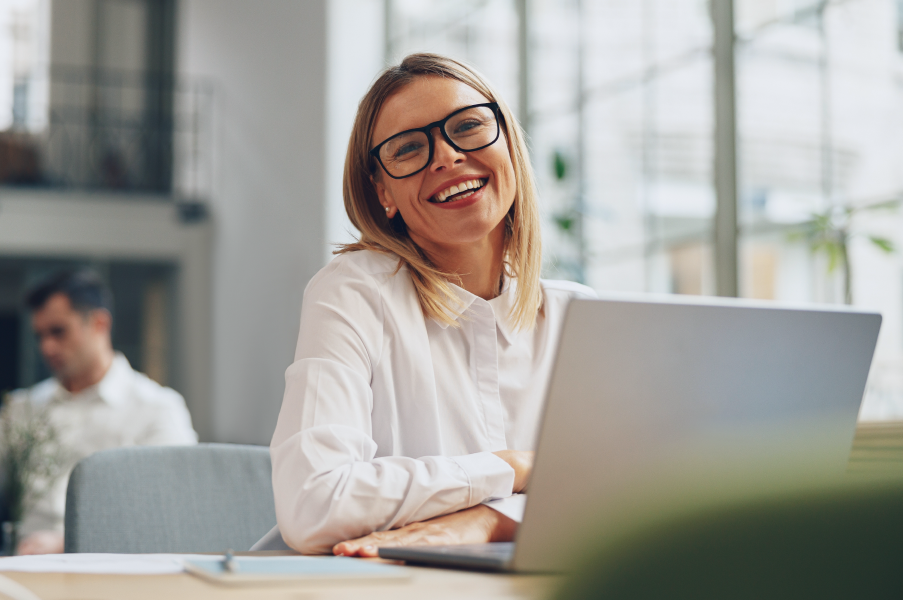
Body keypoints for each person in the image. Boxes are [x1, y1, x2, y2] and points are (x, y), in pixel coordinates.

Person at [270, 53, 595, 556]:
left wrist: (493, 519)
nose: (445, 157)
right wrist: (516, 468)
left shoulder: (581, 319)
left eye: (467, 126)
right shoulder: (355, 291)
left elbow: (633, 493)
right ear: (383, 193)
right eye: (407, 149)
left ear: (508, 141)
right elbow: (314, 503)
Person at [4, 270, 198, 555]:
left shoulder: (157, 408)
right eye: (40, 335)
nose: (47, 347)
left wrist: (65, 544)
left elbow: (171, 509)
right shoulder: (23, 408)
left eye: (58, 331)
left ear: (99, 323)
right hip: (26, 569)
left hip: (116, 569)